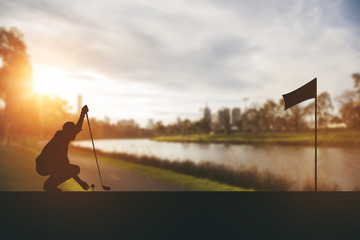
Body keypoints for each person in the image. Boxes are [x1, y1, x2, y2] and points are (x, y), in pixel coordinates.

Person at [36, 105, 90, 192]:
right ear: (69, 132)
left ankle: (49, 185)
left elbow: (77, 128)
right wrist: (81, 182)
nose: (75, 134)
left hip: (47, 164)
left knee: (66, 168)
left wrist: (83, 113)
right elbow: (66, 165)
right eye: (74, 132)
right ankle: (49, 186)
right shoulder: (61, 139)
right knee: (74, 169)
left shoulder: (63, 135)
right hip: (43, 166)